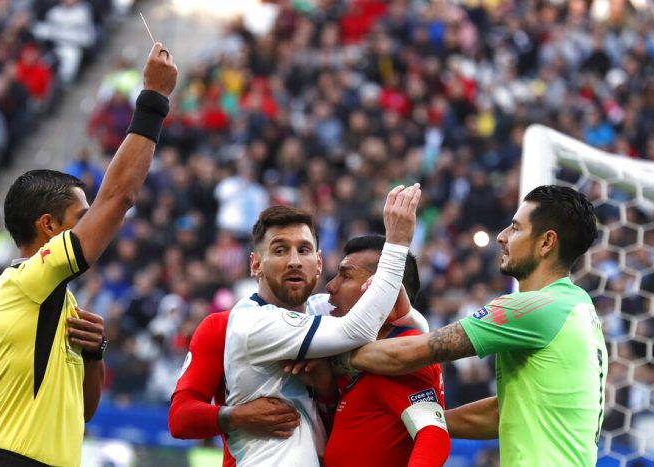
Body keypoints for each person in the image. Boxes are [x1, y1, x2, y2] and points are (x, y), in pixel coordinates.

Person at [0, 42, 177, 467]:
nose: (93, 225)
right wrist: (154, 100)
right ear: (48, 226)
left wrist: (94, 353)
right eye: (82, 216)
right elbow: (120, 196)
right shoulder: (24, 282)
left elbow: (82, 414)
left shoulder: (58, 299)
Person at [346, 185, 607, 467]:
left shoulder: (534, 308)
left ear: (546, 243)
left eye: (516, 229)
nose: (502, 237)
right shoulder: (580, 307)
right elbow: (500, 413)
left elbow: (407, 355)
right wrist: (424, 423)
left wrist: (320, 350)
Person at [169, 205, 429, 466]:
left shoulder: (330, 313)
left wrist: (326, 388)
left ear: (318, 263)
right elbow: (180, 418)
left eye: (303, 250)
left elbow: (403, 327)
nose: (294, 261)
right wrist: (237, 416)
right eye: (280, 250)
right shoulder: (227, 325)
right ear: (256, 264)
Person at [316, 234, 450, 466]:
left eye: (345, 275)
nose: (331, 286)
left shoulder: (405, 356)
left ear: (381, 293)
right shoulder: (363, 357)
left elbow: (433, 434)